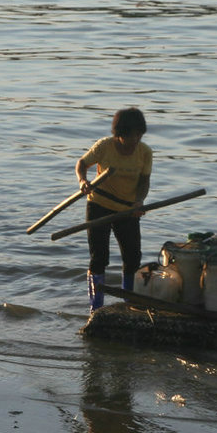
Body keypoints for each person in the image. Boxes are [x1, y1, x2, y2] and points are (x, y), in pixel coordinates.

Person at [74, 108, 152, 310]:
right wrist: (83, 181)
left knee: (133, 256)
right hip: (99, 204)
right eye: (131, 136)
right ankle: (96, 307)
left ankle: (129, 303)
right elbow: (81, 163)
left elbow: (144, 181)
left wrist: (139, 201)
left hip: (127, 210)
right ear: (119, 135)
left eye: (139, 135)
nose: (135, 140)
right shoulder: (104, 147)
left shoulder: (145, 152)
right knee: (99, 258)